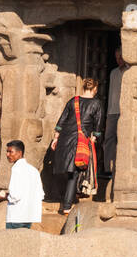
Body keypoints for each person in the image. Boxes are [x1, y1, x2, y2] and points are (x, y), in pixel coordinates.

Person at [51, 79, 103, 215]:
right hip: (81, 140)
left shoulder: (73, 101)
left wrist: (56, 137)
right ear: (95, 89)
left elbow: (61, 120)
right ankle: (67, 205)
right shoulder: (96, 103)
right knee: (75, 172)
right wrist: (94, 137)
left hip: (65, 138)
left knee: (69, 171)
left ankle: (69, 198)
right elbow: (98, 124)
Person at [0, 141, 44, 229]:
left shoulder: (16, 169)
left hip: (16, 216)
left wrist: (1, 197)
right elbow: (40, 194)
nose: (7, 154)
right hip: (29, 217)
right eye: (7, 152)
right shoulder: (34, 170)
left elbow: (15, 196)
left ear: (19, 153)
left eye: (10, 152)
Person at [103, 51, 125, 189]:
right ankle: (108, 168)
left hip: (124, 111)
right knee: (109, 139)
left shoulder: (129, 72)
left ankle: (120, 168)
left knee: (122, 140)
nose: (118, 60)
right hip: (112, 111)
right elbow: (111, 93)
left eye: (120, 57)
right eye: (116, 58)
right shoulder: (113, 72)